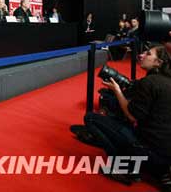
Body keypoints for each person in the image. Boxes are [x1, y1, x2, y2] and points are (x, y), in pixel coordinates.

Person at [72, 45, 171, 189]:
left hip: (149, 150)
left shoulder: (150, 82)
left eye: (148, 54)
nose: (142, 55)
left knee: (91, 118)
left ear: (158, 62)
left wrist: (117, 90)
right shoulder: (164, 81)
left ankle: (123, 167)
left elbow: (132, 116)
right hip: (165, 154)